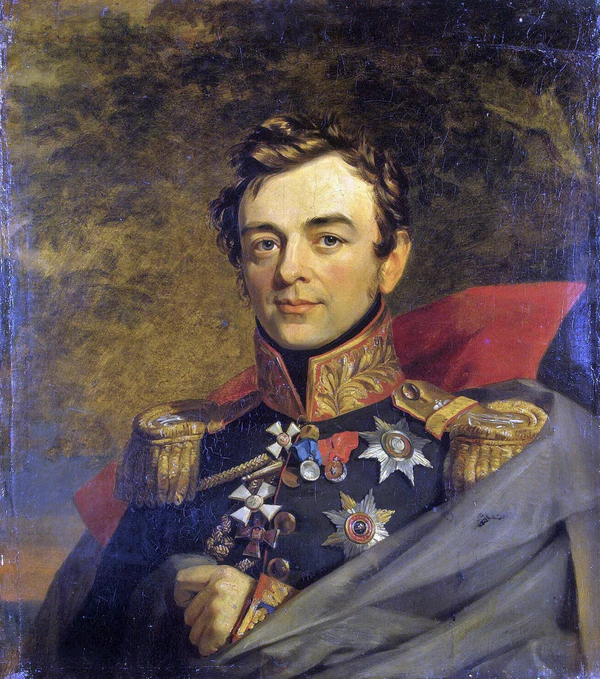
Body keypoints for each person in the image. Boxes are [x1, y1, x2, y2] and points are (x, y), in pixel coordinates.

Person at [27, 114, 599, 678]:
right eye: (265, 244)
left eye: (327, 240)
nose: (289, 271)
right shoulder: (187, 453)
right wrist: (170, 600)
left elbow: (501, 645)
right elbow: (84, 655)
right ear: (242, 268)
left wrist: (271, 618)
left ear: (391, 261)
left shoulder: (464, 454)